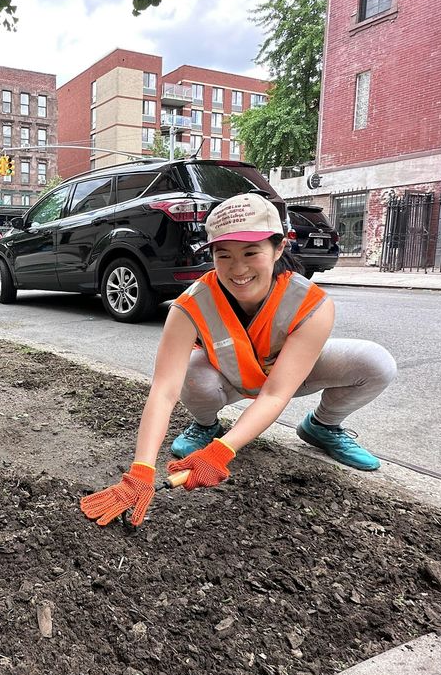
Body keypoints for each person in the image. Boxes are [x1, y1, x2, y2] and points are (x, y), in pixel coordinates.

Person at [81, 193, 397, 527]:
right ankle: (206, 425)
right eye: (224, 254)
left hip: (288, 378)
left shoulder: (311, 304)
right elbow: (163, 391)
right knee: (190, 371)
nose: (238, 268)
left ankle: (322, 426)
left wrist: (223, 451)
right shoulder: (191, 305)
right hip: (230, 377)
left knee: (375, 363)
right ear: (212, 255)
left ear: (278, 249)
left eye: (251, 252)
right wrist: (141, 471)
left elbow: (276, 394)